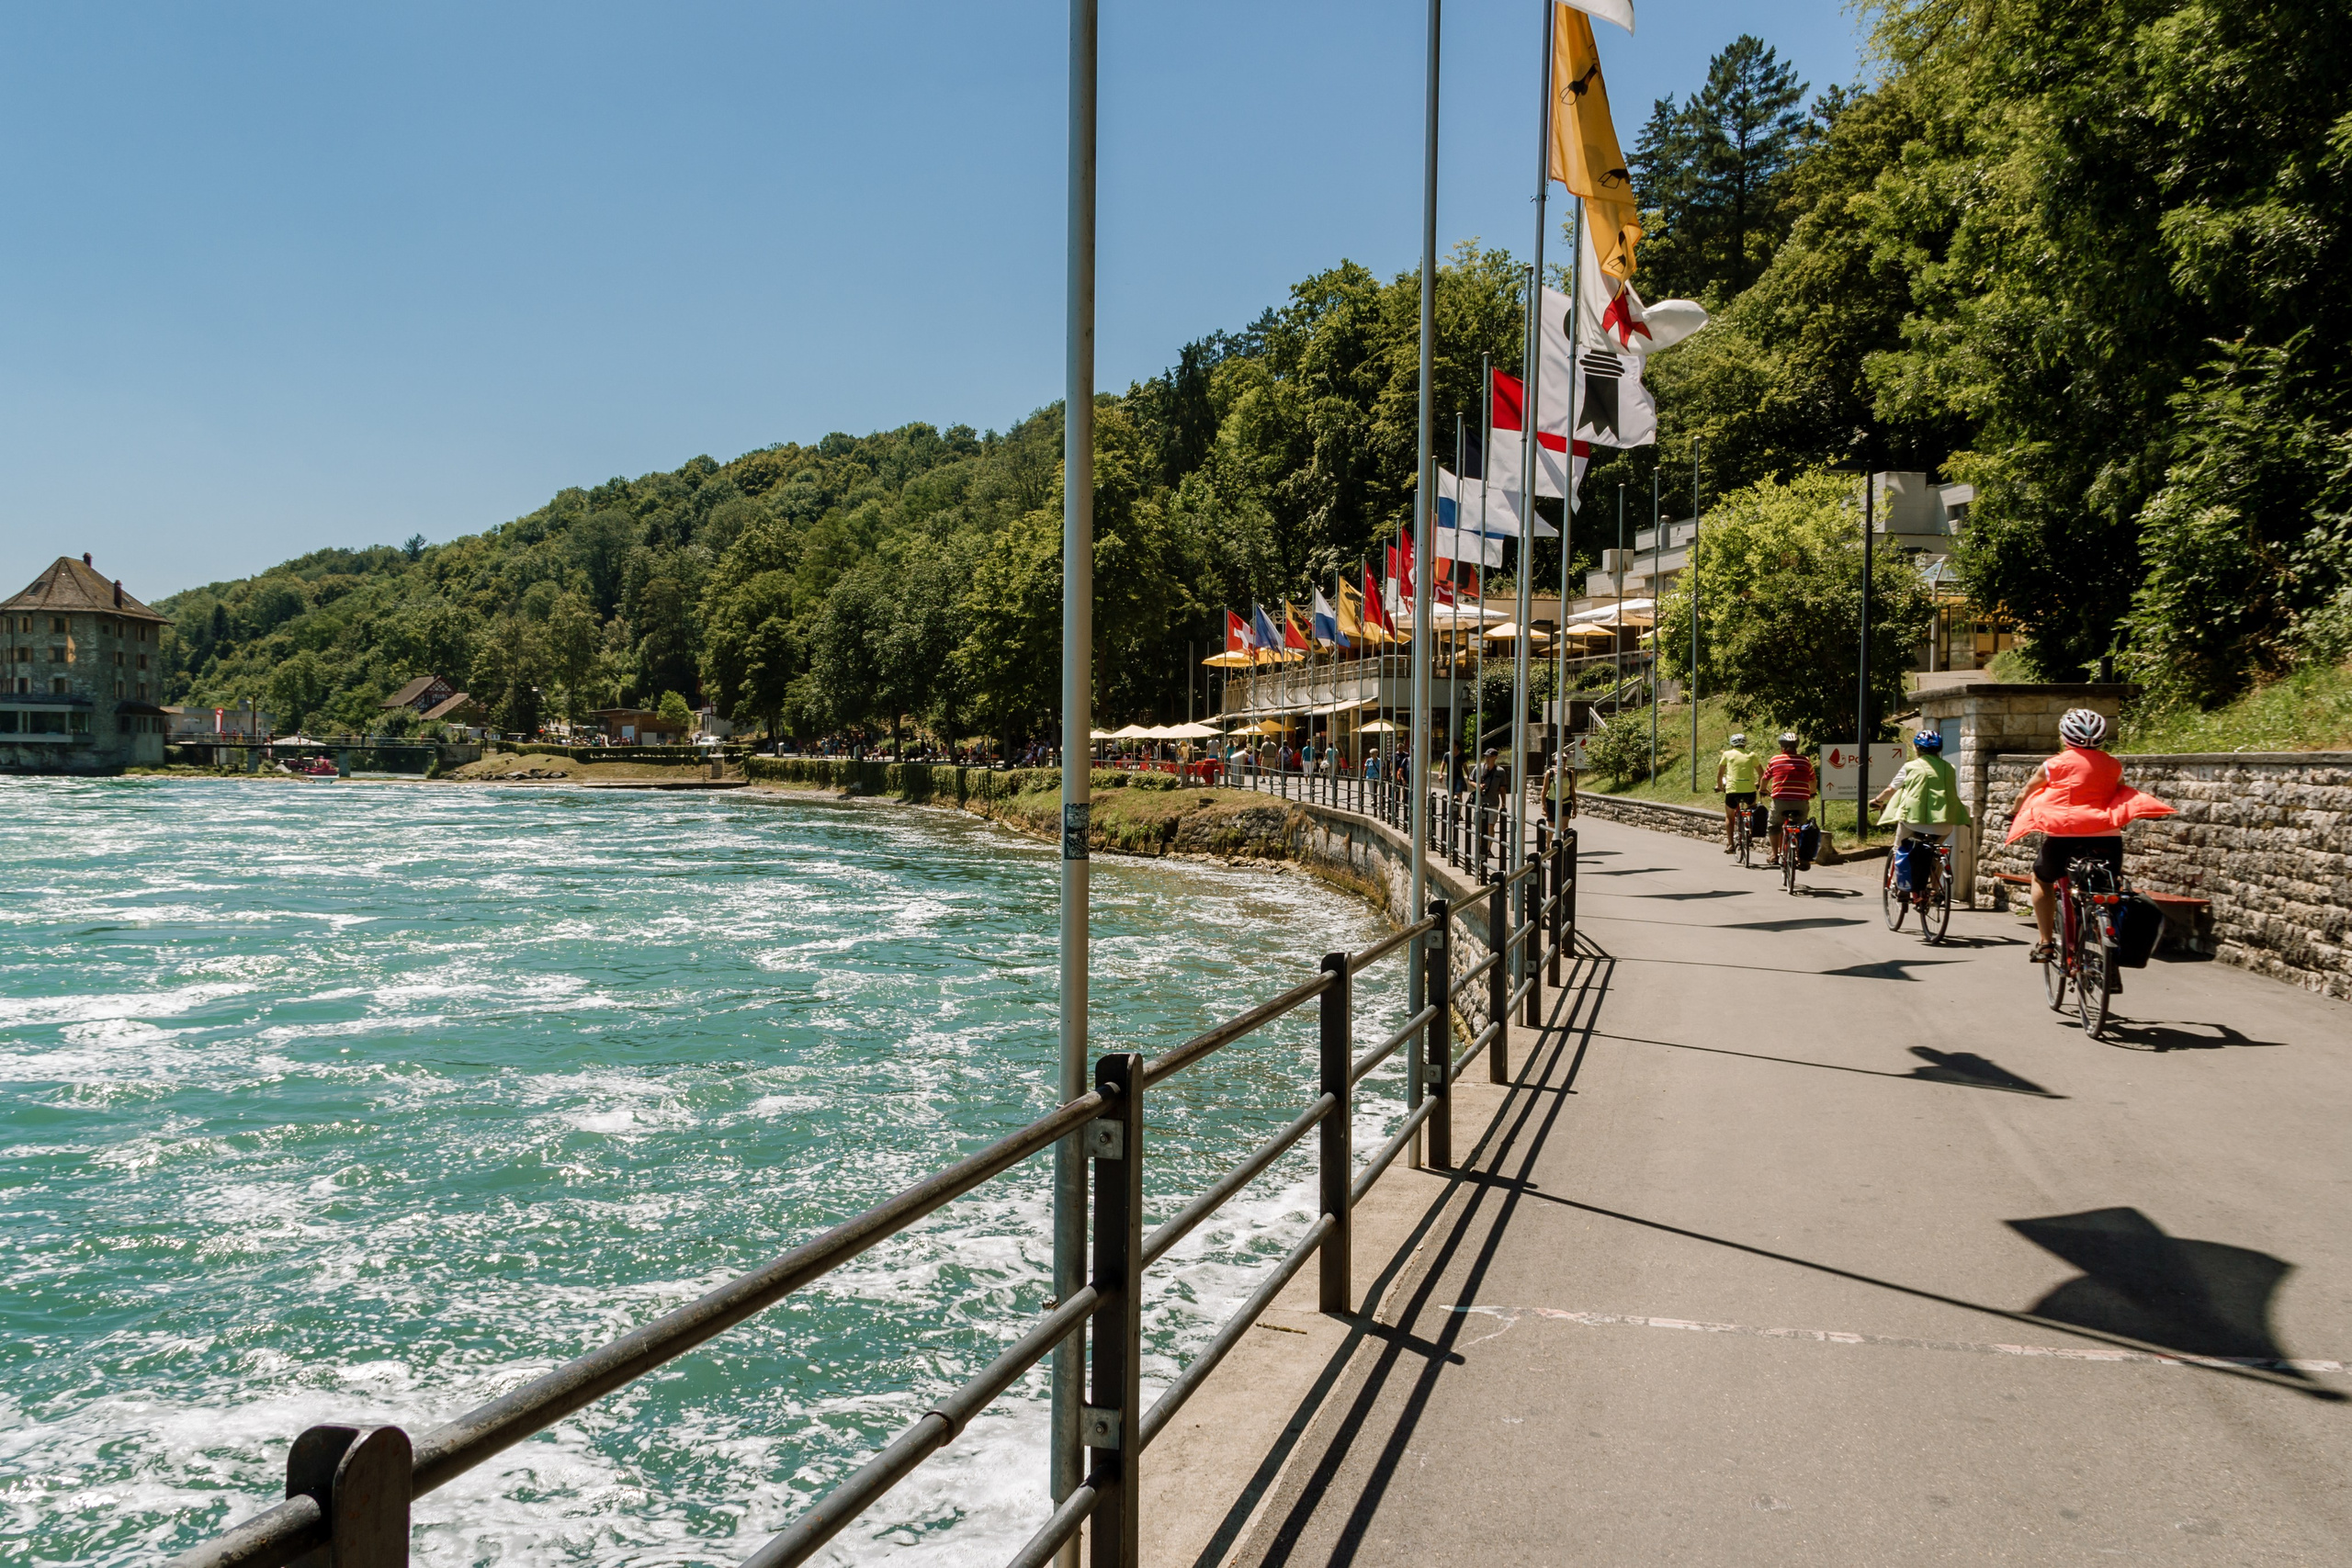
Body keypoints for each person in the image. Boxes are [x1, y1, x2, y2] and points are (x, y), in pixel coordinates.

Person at [2005, 707, 2175, 963]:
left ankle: (2046, 943)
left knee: (2042, 878)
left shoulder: (2054, 765)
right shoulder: (2112, 765)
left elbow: (2026, 793)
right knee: (2105, 887)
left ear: (2064, 737)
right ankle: (2104, 931)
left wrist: (2014, 811)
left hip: (2063, 837)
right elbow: (2118, 793)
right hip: (2107, 839)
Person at [1869, 730, 1972, 895]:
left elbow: (1891, 789)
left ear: (1917, 748)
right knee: (1936, 852)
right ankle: (1934, 890)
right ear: (1939, 749)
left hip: (1914, 821)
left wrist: (1878, 801)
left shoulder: (1910, 767)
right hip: (1944, 823)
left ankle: (1900, 887)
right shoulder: (1950, 768)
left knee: (1899, 848)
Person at [1759, 733, 1817, 868]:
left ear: (1782, 747)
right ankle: (1800, 855)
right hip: (1801, 801)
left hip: (1781, 800)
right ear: (1796, 747)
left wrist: (1763, 790)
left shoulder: (1775, 760)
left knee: (1774, 826)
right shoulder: (1805, 761)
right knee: (1801, 826)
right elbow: (1813, 780)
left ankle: (1774, 855)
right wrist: (1812, 792)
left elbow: (1765, 779)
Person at [1714, 731, 1762, 854]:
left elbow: (1720, 773)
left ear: (1732, 745)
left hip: (1732, 790)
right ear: (1745, 745)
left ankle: (1730, 844)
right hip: (1749, 790)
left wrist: (1719, 786)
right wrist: (1759, 784)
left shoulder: (1727, 754)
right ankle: (1749, 833)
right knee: (1752, 808)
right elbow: (1762, 773)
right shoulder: (1751, 755)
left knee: (1729, 816)